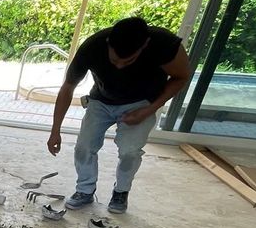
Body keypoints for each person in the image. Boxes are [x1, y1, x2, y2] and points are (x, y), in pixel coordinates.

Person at [48, 17, 191, 214]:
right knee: (84, 147)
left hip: (141, 102)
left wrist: (149, 110)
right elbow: (68, 87)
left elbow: (181, 77)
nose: (120, 66)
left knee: (129, 151)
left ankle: (121, 192)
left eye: (128, 61)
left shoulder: (164, 45)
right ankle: (85, 190)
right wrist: (55, 131)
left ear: (144, 45)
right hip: (101, 100)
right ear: (109, 43)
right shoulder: (93, 46)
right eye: (115, 60)